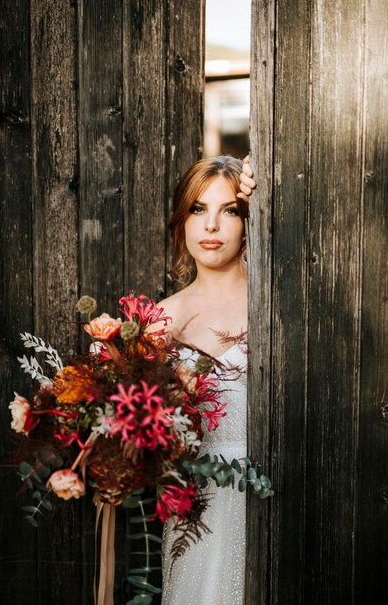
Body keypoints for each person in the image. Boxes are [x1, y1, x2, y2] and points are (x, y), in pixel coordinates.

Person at [158, 154, 256, 605]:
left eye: (229, 210)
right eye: (198, 209)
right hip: (190, 509)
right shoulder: (159, 321)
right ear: (182, 221)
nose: (211, 225)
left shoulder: (275, 305)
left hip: (265, 500)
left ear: (247, 219)